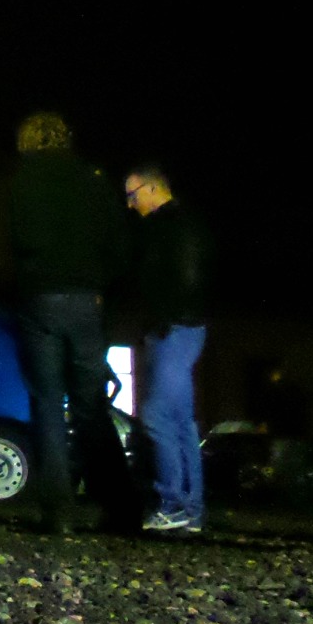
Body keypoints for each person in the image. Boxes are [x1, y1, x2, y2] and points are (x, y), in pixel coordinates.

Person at [7, 111, 134, 534]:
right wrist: (101, 287)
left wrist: (14, 290)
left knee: (46, 403)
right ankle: (117, 506)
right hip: (86, 300)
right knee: (90, 404)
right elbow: (118, 245)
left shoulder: (21, 182)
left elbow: (10, 243)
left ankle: (58, 511)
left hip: (39, 299)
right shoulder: (92, 181)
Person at [124, 163, 212, 534]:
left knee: (158, 415)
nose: (130, 204)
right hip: (179, 327)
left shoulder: (173, 227)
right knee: (179, 420)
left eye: (133, 195)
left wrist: (164, 317)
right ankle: (190, 508)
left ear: (152, 188)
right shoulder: (182, 224)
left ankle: (174, 502)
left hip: (175, 328)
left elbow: (181, 278)